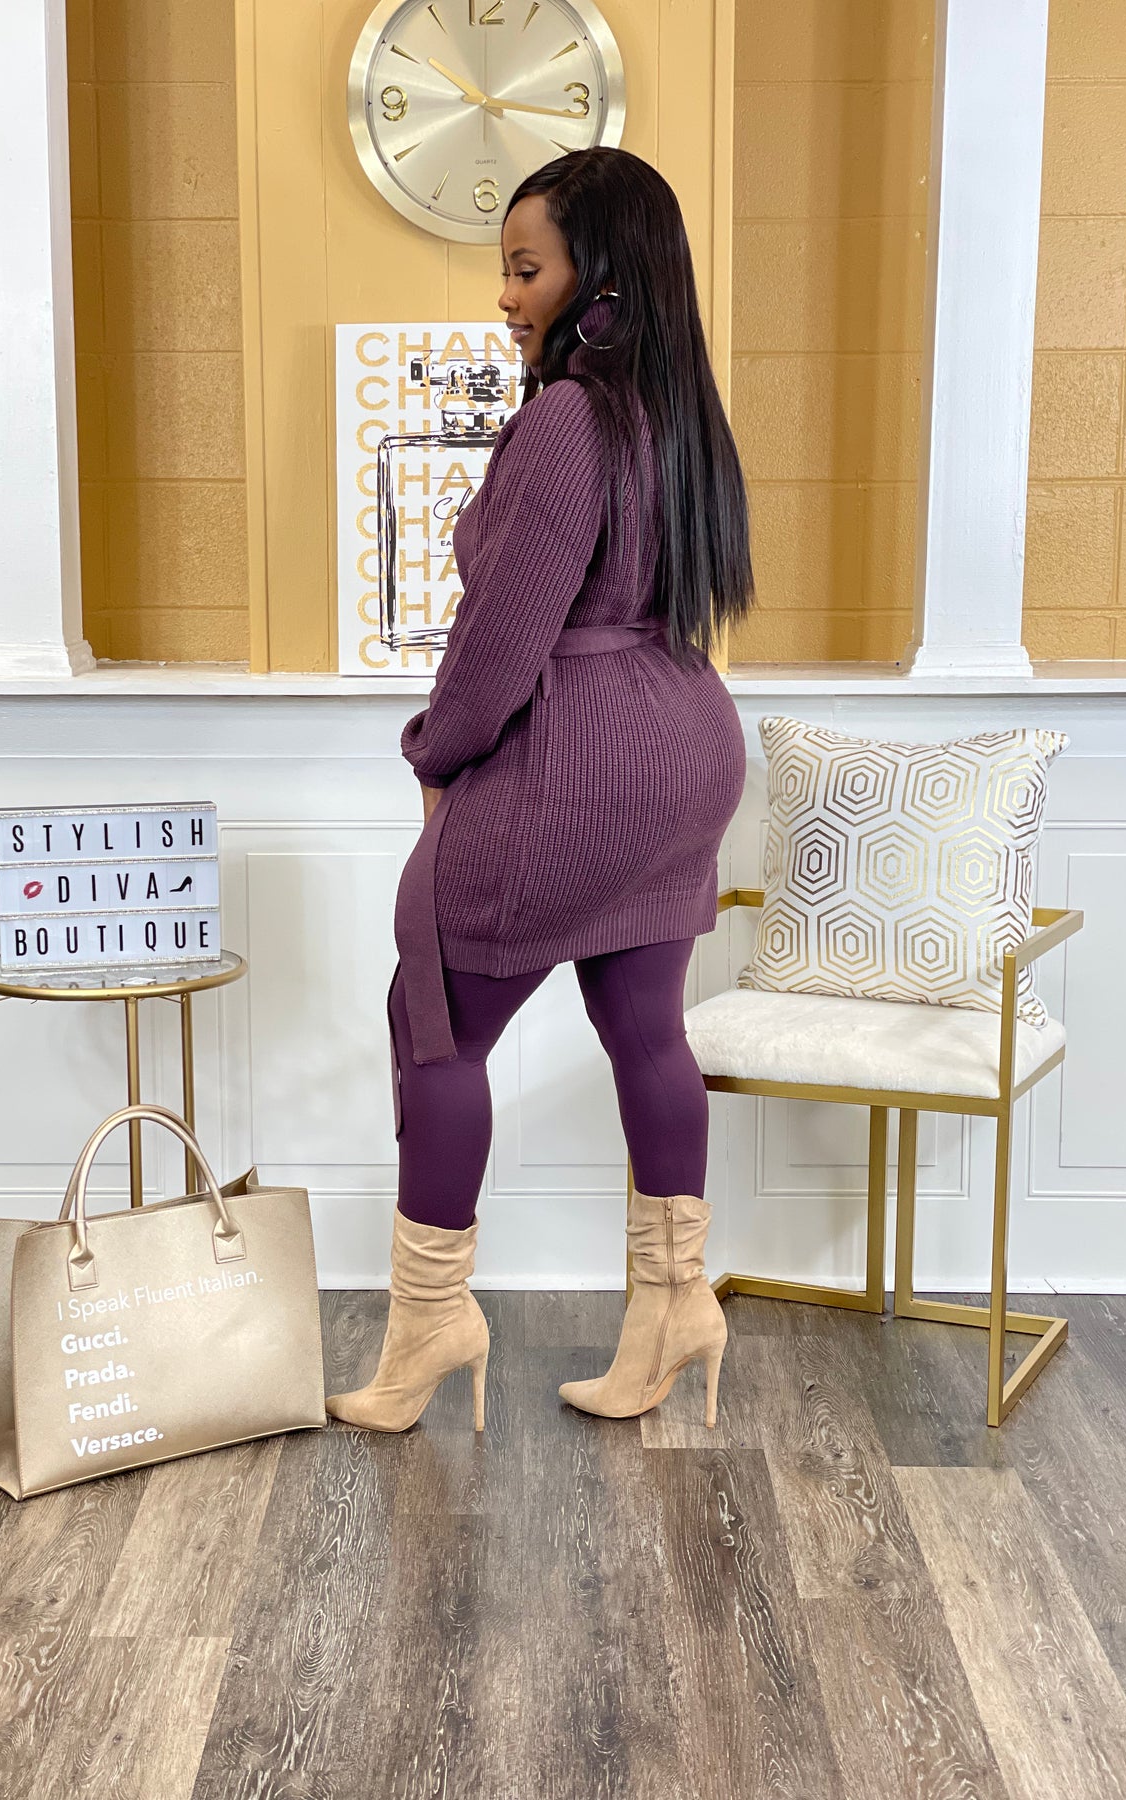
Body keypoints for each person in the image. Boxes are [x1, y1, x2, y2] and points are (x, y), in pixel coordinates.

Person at [325, 147, 754, 1435]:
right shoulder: (680, 416)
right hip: (683, 748)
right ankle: (676, 1304)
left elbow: (502, 641)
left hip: (580, 756)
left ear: (598, 277)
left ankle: (430, 1324)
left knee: (432, 1022)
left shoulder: (569, 419)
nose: (505, 295)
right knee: (648, 1032)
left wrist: (436, 754)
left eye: (525, 269)